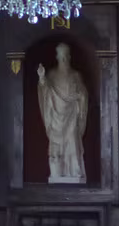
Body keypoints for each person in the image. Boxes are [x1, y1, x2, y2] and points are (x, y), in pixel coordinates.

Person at [38, 42, 90, 182]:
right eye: (61, 56)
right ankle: (57, 172)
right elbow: (45, 91)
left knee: (72, 142)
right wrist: (42, 78)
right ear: (57, 57)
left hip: (72, 114)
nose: (64, 59)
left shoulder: (75, 75)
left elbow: (83, 93)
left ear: (70, 57)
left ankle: (74, 171)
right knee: (56, 146)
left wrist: (79, 97)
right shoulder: (52, 74)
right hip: (56, 116)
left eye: (66, 56)